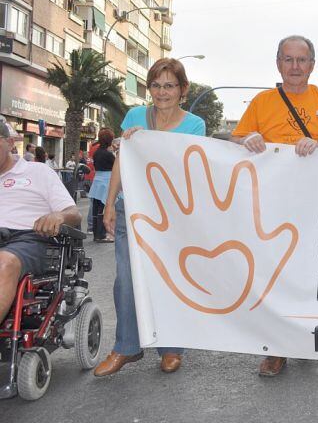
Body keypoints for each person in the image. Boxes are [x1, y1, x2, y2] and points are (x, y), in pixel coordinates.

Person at [231, 35, 318, 377]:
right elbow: (236, 139)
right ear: (278, 63)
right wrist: (245, 139)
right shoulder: (262, 101)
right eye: (288, 59)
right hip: (270, 204)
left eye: (301, 60)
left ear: (312, 65)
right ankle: (276, 347)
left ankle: (306, 335)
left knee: (310, 274)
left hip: (314, 205)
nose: (295, 66)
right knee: (274, 273)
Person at [94, 58, 205, 378]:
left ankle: (171, 347)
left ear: (182, 89)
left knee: (170, 280)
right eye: (156, 85)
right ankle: (126, 347)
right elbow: (121, 162)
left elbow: (187, 168)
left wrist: (149, 142)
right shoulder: (133, 116)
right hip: (132, 209)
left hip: (173, 216)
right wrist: (110, 203)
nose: (162, 92)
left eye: (169, 85)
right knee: (125, 279)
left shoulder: (195, 124)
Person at [0, 121, 81, 321]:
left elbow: (74, 213)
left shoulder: (38, 172)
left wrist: (58, 216)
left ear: (10, 143)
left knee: (4, 262)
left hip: (27, 239)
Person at [89, 128, 115, 244]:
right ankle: (101, 234)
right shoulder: (108, 154)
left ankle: (97, 234)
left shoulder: (97, 153)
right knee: (104, 209)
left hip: (98, 181)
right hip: (107, 181)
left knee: (96, 208)